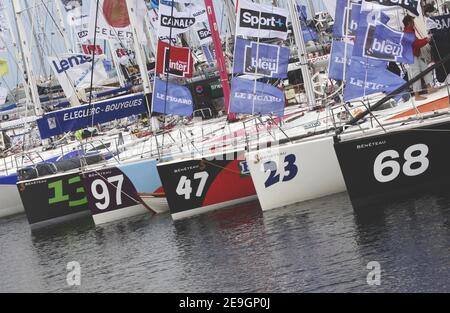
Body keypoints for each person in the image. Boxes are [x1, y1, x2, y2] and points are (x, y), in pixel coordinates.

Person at [403, 14, 436, 101]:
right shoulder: (407, 33)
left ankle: (429, 87)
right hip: (411, 56)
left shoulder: (410, 31)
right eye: (412, 20)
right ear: (409, 22)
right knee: (416, 74)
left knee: (425, 69)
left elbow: (417, 42)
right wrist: (426, 40)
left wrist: (425, 39)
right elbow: (416, 44)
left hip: (416, 55)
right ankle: (417, 95)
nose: (414, 22)